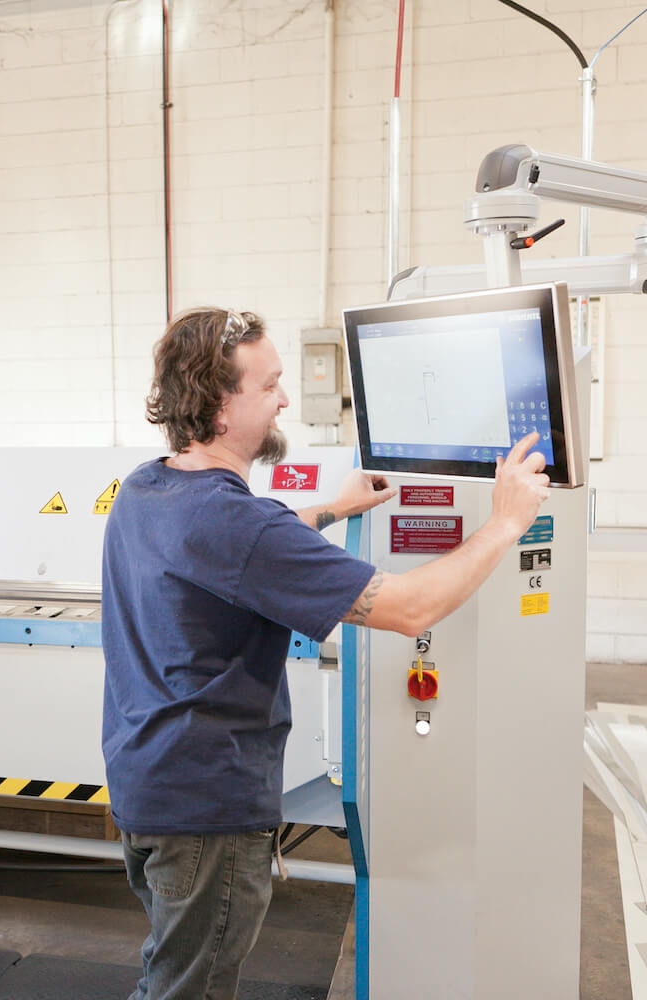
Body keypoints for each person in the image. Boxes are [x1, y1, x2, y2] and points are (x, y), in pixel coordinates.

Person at [100, 306, 551, 1000]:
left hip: (147, 789)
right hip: (207, 814)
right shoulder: (236, 524)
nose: (285, 399)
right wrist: (506, 522)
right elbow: (409, 609)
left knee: (171, 970)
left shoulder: (147, 487)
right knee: (187, 991)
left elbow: (241, 549)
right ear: (221, 405)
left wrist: (331, 510)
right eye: (270, 385)